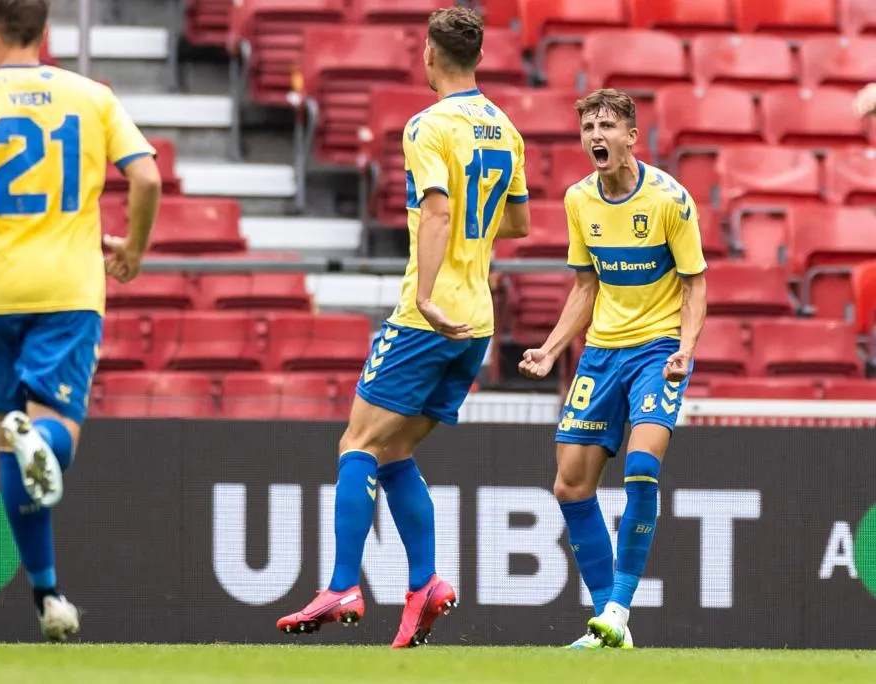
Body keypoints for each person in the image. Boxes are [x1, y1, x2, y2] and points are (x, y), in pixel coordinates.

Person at [276, 6, 530, 648]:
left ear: (429, 55)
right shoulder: (504, 127)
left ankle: (340, 585)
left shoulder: (428, 125)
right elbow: (520, 223)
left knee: (356, 447)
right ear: (477, 58)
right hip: (477, 321)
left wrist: (425, 290)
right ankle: (425, 584)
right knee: (393, 452)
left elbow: (439, 212)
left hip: (429, 316)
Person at [0, 0, 161, 641]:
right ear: (46, 33)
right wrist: (134, 251)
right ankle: (48, 581)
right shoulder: (92, 96)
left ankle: (47, 596)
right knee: (53, 441)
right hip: (69, 289)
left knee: (10, 441)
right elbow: (145, 175)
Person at [519, 89, 707, 649]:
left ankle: (620, 606)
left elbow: (695, 284)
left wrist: (686, 347)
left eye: (606, 126)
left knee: (642, 465)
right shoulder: (579, 200)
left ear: (631, 136)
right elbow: (585, 285)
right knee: (570, 485)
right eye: (588, 127)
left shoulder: (671, 200)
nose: (595, 136)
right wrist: (553, 348)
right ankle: (608, 623)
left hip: (657, 351)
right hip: (601, 353)